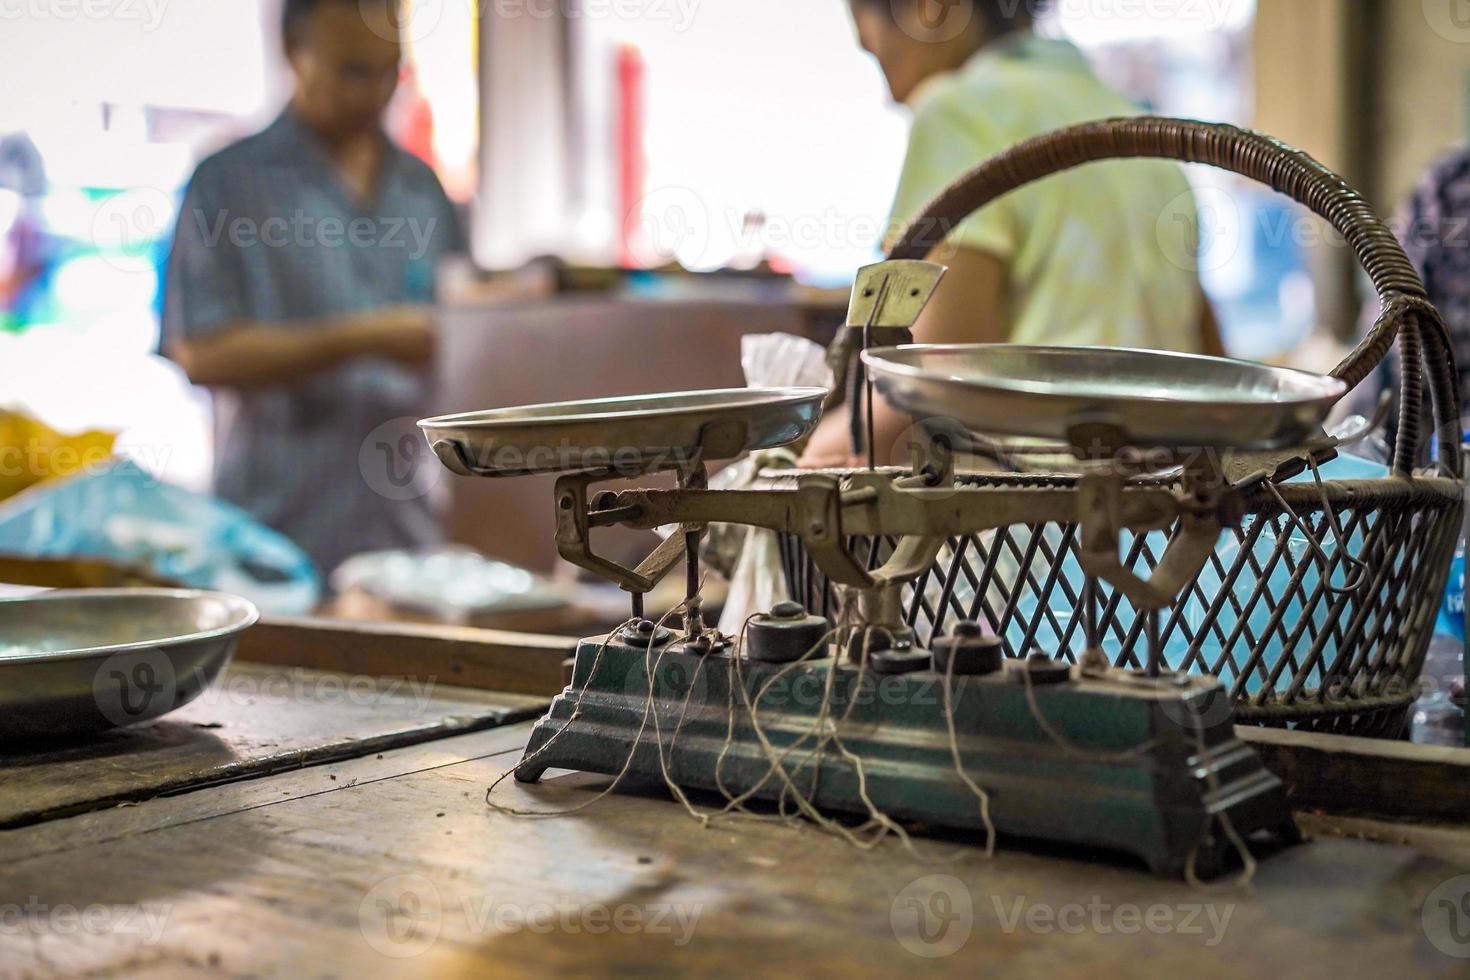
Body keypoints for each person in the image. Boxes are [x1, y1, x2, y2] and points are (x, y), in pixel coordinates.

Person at [802, 0, 1222, 467]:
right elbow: (1207, 351)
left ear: (931, 10)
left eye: (876, 53)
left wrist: (814, 451)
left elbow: (938, 381)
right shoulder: (1142, 133)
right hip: (1168, 520)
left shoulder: (960, 114)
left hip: (1036, 523)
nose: (891, 95)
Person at [166, 0, 464, 578]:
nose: (376, 91)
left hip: (406, 539)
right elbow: (200, 352)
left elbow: (462, 331)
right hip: (271, 543)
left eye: (390, 70)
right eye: (354, 70)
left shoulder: (422, 189)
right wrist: (362, 337)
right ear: (292, 52)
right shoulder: (227, 184)